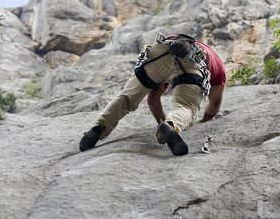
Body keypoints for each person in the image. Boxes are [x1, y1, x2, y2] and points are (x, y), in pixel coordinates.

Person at [79, 33, 226, 156]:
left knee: (126, 98)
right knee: (186, 106)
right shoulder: (218, 66)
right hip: (193, 60)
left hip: (160, 52)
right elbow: (215, 103)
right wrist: (207, 117)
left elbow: (153, 98)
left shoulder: (180, 44)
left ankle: (100, 126)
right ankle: (172, 124)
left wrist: (159, 121)